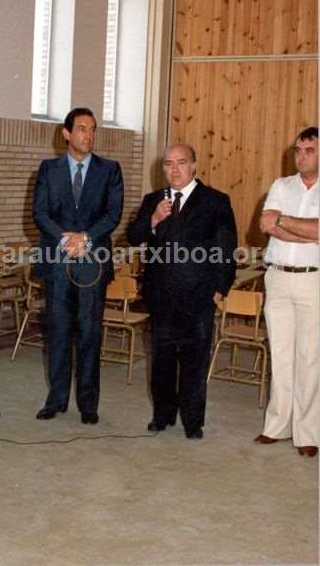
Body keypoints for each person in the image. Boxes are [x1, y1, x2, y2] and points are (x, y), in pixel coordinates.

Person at [127, 144, 237, 439]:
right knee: (161, 362)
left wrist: (218, 292)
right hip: (161, 297)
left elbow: (226, 251)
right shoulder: (153, 200)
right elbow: (133, 237)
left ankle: (192, 421)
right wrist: (153, 220)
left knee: (194, 363)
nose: (174, 169)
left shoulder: (215, 201)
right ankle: (162, 415)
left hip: (199, 298)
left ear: (194, 166)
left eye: (181, 162)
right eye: (168, 164)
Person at [33, 107, 124, 424]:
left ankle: (88, 404)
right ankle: (55, 400)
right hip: (58, 262)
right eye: (82, 128)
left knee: (89, 333)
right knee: (57, 332)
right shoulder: (48, 169)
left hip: (92, 263)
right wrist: (64, 240)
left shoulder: (110, 170)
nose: (89, 135)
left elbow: (113, 215)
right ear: (67, 133)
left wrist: (84, 238)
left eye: (93, 129)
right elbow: (40, 213)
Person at [255, 127, 319, 457]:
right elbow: (266, 224)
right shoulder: (282, 185)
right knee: (280, 353)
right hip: (277, 278)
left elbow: (284, 224)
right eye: (298, 150)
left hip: (313, 281)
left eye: (309, 150)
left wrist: (285, 222)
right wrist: (310, 232)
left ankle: (307, 433)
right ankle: (276, 425)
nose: (301, 156)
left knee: (309, 357)